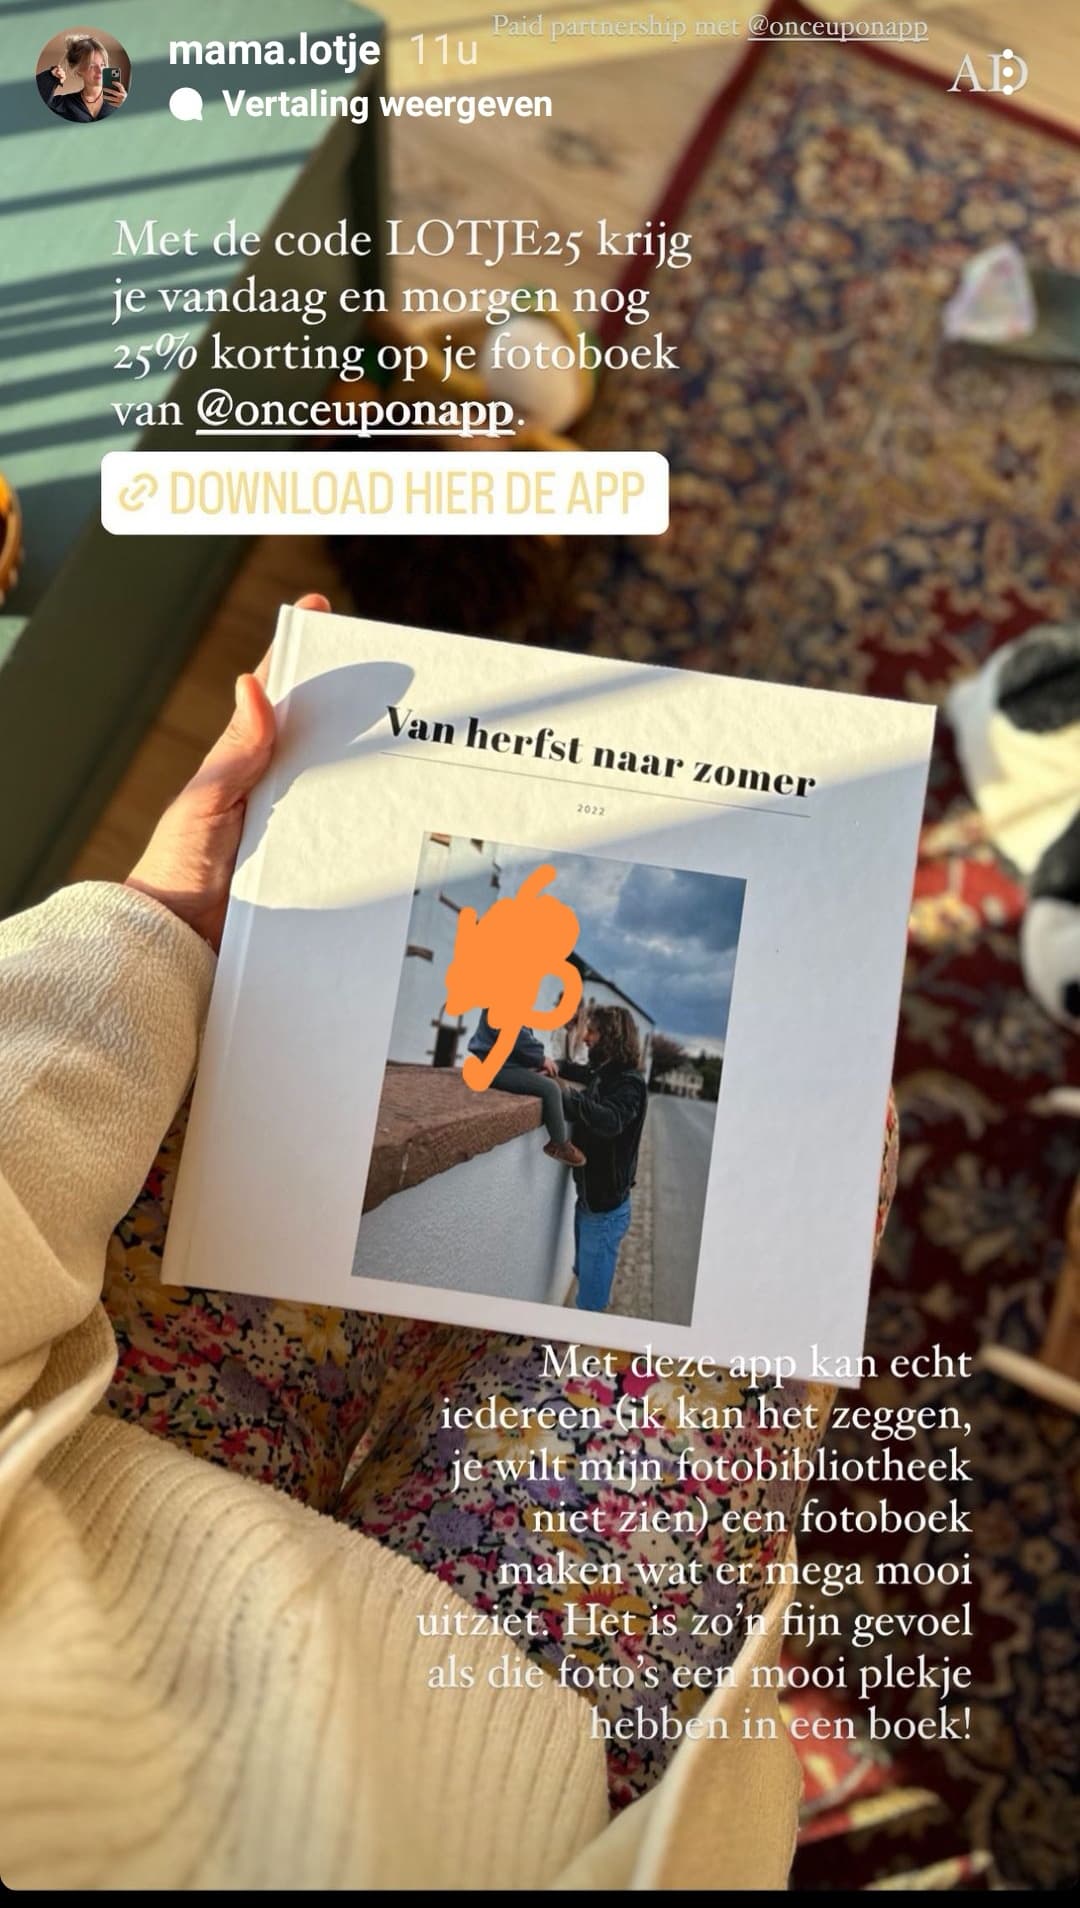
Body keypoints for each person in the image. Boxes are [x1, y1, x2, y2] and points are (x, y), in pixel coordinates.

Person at [0, 591, 898, 1887]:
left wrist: (138, 940)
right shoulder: (564, 1018)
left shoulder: (579, 1018)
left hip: (88, 1449)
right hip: (517, 1771)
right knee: (835, 1129)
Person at [558, 1006, 649, 1311]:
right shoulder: (605, 1073)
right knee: (584, 1275)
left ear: (611, 1036)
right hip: (590, 1201)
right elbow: (577, 1071)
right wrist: (552, 1066)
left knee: (590, 1304)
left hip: (605, 1211)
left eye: (593, 1031)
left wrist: (567, 1097)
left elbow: (611, 1120)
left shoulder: (630, 1083)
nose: (585, 1037)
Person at [467, 1007, 585, 1165]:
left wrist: (533, 1062)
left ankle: (573, 1116)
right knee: (550, 1088)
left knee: (557, 1082)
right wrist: (540, 1059)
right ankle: (558, 1144)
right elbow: (515, 1034)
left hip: (507, 1063)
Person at [37, 36, 127, 121]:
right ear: (78, 70)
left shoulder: (120, 101)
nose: (100, 71)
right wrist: (50, 77)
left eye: (103, 65)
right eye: (92, 66)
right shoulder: (65, 104)